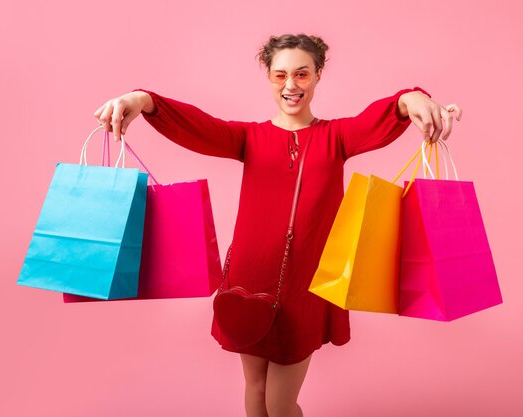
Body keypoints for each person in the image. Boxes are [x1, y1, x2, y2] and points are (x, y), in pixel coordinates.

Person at [94, 33, 461, 417]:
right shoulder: (248, 137)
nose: (291, 85)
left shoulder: (336, 137)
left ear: (318, 75)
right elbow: (198, 125)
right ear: (268, 77)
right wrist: (142, 99)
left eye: (302, 74)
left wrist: (411, 98)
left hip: (304, 287)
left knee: (279, 404)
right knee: (254, 392)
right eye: (280, 75)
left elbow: (379, 118)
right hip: (248, 281)